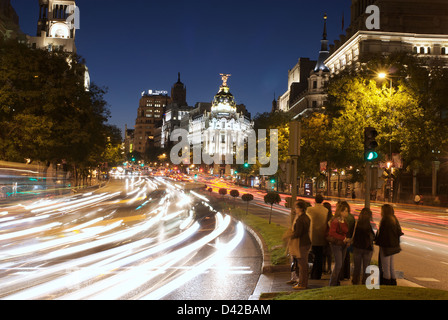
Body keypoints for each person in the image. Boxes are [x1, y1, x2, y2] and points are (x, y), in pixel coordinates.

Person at [375, 204, 404, 285]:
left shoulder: (385, 220)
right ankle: (393, 282)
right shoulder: (394, 219)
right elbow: (399, 232)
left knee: (385, 267)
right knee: (391, 266)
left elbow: (382, 235)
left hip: (385, 246)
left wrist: (377, 241)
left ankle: (386, 283)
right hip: (393, 246)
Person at [306, 194, 329, 280]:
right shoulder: (325, 210)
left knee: (310, 256)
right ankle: (317, 274)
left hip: (311, 236)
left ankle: (311, 273)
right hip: (321, 236)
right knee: (319, 257)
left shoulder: (309, 209)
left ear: (315, 200)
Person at [350, 208, 375, 285]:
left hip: (357, 247)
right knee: (366, 266)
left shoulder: (357, 223)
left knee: (357, 266)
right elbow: (374, 236)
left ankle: (355, 280)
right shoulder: (371, 224)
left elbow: (352, 234)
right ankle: (365, 281)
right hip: (367, 248)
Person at [328, 201, 350, 286]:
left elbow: (345, 232)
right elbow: (332, 233)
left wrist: (346, 240)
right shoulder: (335, 221)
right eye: (346, 211)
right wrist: (343, 238)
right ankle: (332, 282)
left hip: (343, 244)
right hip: (337, 244)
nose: (347, 213)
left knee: (340, 264)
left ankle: (336, 281)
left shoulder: (344, 221)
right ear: (341, 212)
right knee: (339, 264)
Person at [291, 201, 311, 290]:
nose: (295, 209)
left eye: (296, 207)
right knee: (304, 264)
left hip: (301, 243)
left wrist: (291, 235)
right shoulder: (307, 217)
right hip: (307, 242)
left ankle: (302, 284)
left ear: (301, 208)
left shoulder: (300, 219)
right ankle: (304, 283)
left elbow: (298, 233)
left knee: (302, 265)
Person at [341, 202, 354, 280]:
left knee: (341, 258)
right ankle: (347, 274)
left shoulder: (344, 218)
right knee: (346, 257)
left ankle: (342, 275)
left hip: (343, 239)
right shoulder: (351, 217)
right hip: (348, 239)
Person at [322, 202, 333, 274]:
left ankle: (323, 268)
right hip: (330, 238)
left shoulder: (323, 217)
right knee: (329, 254)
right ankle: (329, 268)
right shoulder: (331, 218)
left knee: (323, 254)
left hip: (323, 237)